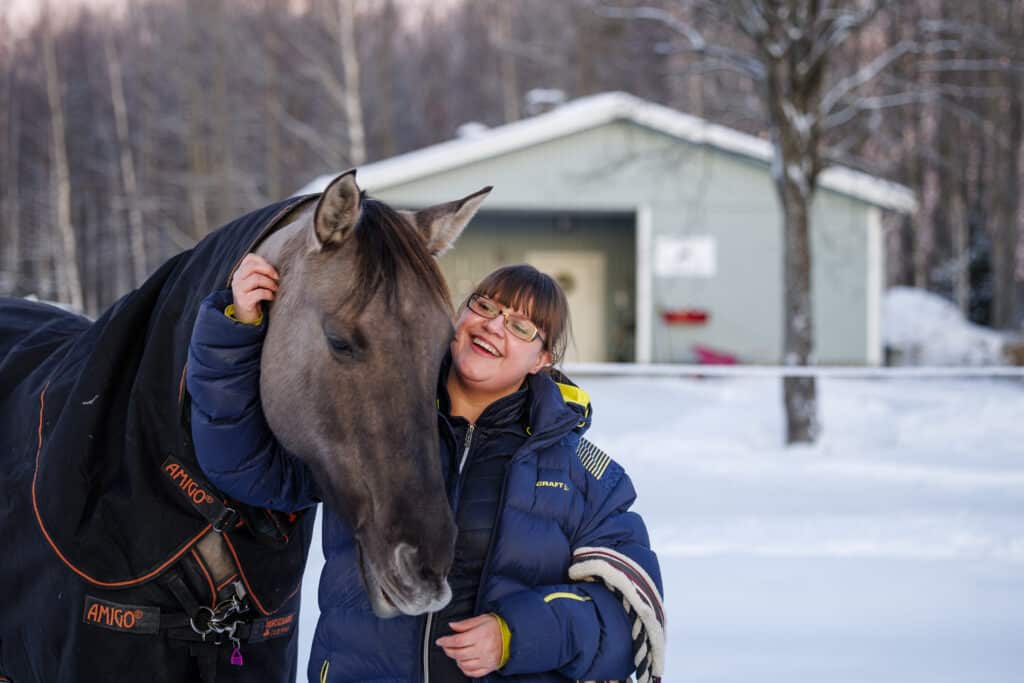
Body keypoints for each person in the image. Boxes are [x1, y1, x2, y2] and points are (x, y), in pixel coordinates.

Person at [187, 254, 664, 682]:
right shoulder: (365, 421)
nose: (495, 326)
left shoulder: (587, 475)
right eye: (486, 306)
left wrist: (515, 635)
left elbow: (625, 623)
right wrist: (237, 330)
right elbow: (246, 466)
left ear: (542, 360)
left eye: (522, 326)